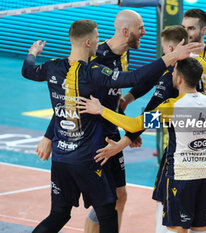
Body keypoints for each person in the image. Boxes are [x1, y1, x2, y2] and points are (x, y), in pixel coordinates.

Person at [22, 19, 201, 233]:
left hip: (63, 156)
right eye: (97, 37)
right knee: (113, 213)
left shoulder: (53, 66)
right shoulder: (94, 71)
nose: (100, 41)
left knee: (61, 214)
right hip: (99, 155)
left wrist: (32, 52)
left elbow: (28, 70)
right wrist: (124, 126)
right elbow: (144, 99)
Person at [76, 57, 206, 233]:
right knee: (201, 229)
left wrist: (101, 109)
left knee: (177, 229)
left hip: (182, 176)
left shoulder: (171, 107)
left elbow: (134, 125)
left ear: (178, 78)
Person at [36, 9, 147, 233]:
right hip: (94, 139)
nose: (144, 33)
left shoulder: (125, 54)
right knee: (104, 205)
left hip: (112, 133)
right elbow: (71, 100)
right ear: (126, 32)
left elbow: (149, 90)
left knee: (119, 197)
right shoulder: (97, 59)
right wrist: (49, 135)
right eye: (141, 28)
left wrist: (126, 105)